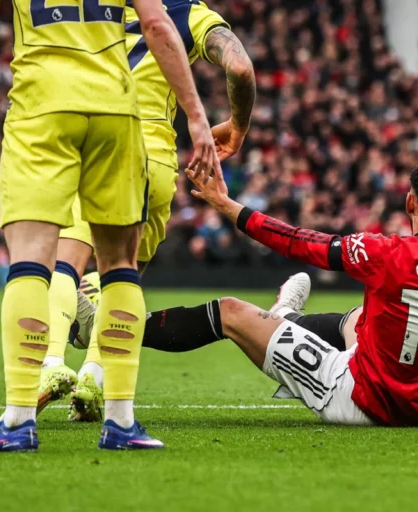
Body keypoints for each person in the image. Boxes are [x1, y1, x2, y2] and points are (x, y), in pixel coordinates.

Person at [0, 0, 219, 452]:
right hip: (117, 111)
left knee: (31, 263)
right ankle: (121, 421)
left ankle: (19, 419)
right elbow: (157, 24)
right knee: (121, 265)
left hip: (43, 108)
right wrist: (197, 119)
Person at [125, 159, 418, 426]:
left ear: (409, 201)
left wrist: (229, 206)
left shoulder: (385, 252)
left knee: (230, 312)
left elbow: (297, 240)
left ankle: (119, 329)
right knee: (361, 318)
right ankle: (286, 324)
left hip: (356, 398)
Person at [36, 0, 256, 423]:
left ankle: (50, 363)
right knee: (126, 275)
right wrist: (238, 124)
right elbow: (241, 67)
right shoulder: (188, 12)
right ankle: (94, 378)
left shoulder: (97, 7)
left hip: (96, 141)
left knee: (64, 262)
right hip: (154, 157)